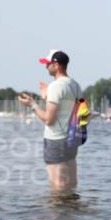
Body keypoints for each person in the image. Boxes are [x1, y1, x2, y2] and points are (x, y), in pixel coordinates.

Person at [17, 49, 82, 193]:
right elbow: (72, 108)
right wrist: (47, 96)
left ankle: (57, 214)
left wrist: (32, 105)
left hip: (56, 140)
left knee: (57, 187)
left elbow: (49, 120)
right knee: (70, 183)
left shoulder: (56, 86)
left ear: (56, 65)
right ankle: (71, 213)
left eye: (48, 64)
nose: (46, 67)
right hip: (72, 139)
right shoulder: (74, 85)